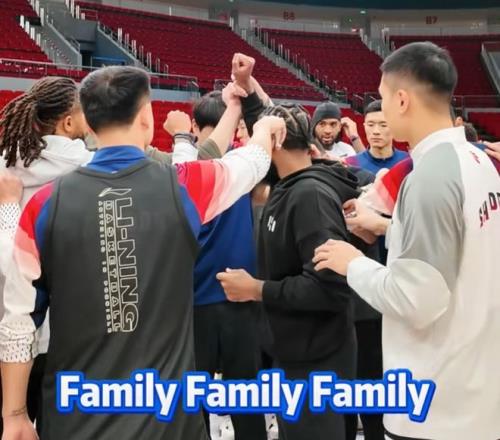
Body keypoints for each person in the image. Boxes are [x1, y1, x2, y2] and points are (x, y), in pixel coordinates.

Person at [0, 65, 284, 440]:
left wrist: (15, 413)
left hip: (76, 416)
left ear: (90, 124)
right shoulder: (183, 188)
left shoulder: (42, 206)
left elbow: (18, 319)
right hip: (167, 420)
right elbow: (252, 162)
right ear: (147, 118)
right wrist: (264, 126)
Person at [313, 42, 500, 440]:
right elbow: (461, 247)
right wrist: (389, 228)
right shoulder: (479, 161)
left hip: (436, 405)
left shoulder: (428, 179)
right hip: (476, 389)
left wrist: (352, 263)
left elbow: (417, 301)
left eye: (383, 98)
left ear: (401, 100)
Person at [217, 103, 359, 440]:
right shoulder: (289, 185)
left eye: (258, 138)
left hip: (317, 355)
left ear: (275, 142)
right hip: (295, 348)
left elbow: (329, 288)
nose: (251, 147)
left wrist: (257, 289)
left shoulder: (309, 196)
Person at [172, 85, 267, 440]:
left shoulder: (233, 167)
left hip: (219, 300)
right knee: (225, 402)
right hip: (210, 300)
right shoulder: (231, 168)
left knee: (231, 401)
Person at [346, 100, 408, 175]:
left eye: (383, 125)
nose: (376, 131)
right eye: (370, 125)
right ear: (364, 126)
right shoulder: (351, 163)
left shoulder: (408, 161)